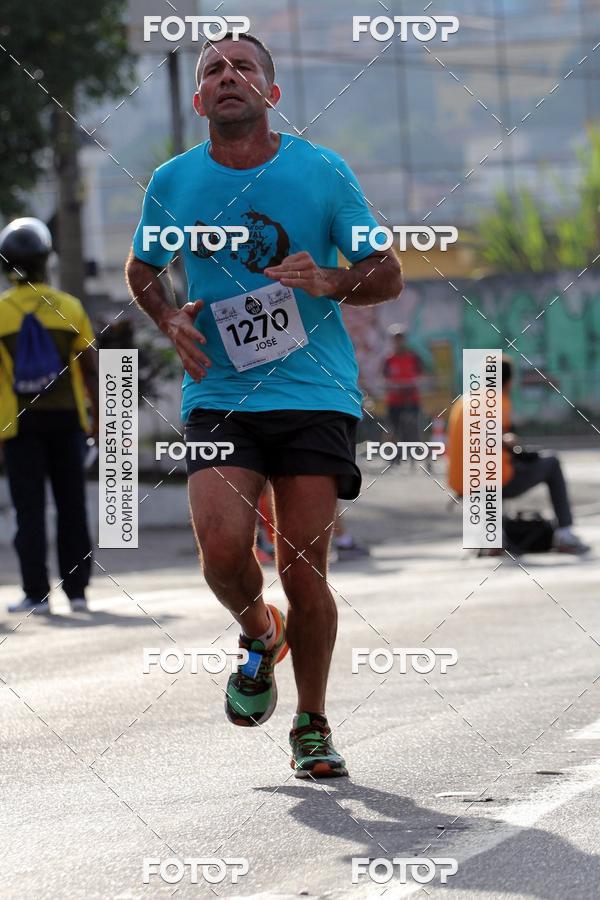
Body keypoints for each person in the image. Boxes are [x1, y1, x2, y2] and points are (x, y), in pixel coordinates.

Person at [125, 31, 402, 778]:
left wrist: (330, 281)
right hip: (221, 393)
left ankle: (312, 722)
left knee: (305, 568)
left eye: (244, 67)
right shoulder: (173, 182)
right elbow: (142, 266)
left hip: (315, 393)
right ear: (198, 99)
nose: (227, 76)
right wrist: (170, 318)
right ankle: (258, 631)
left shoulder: (322, 173)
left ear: (271, 94)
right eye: (213, 69)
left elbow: (387, 272)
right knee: (221, 549)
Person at [0, 218, 99, 613]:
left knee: (29, 509)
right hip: (68, 422)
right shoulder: (70, 306)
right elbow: (92, 369)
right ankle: (77, 593)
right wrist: (102, 424)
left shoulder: (2, 312)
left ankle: (35, 594)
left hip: (19, 425)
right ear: (47, 260)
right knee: (72, 505)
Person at [447, 356, 589, 555]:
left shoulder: (462, 402)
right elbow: (499, 441)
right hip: (490, 483)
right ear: (508, 381)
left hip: (460, 481)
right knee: (551, 462)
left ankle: (493, 536)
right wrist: (512, 442)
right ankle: (565, 534)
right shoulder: (497, 401)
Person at [382, 324, 424, 454]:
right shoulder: (388, 360)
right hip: (395, 400)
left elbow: (422, 375)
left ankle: (415, 455)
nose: (399, 341)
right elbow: (385, 378)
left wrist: (410, 385)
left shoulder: (414, 357)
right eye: (396, 339)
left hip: (412, 399)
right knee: (394, 428)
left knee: (413, 428)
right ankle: (394, 457)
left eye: (401, 338)